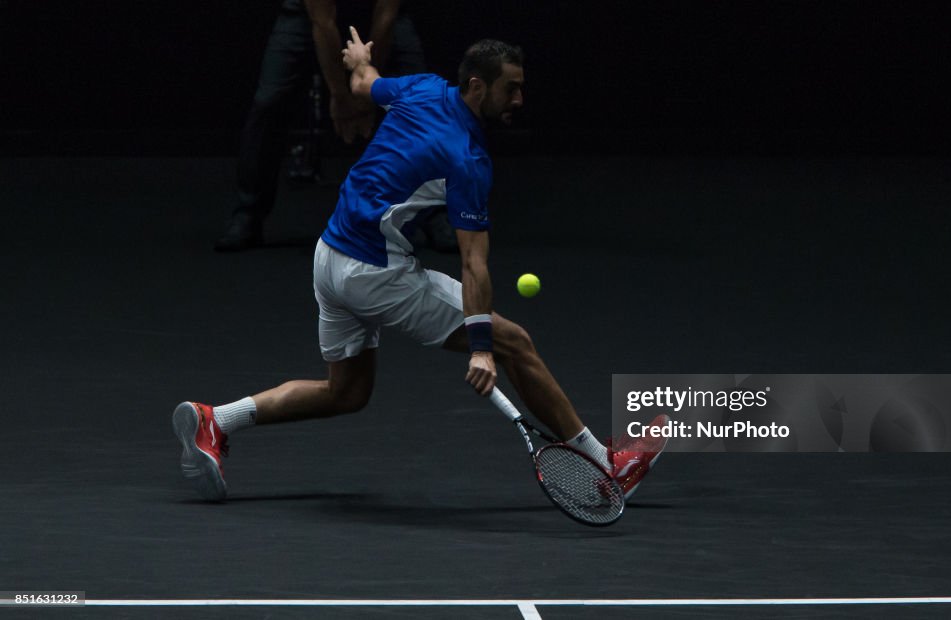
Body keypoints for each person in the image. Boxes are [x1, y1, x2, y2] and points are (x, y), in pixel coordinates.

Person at [175, 27, 666, 504]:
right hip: (375, 273)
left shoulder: (423, 87)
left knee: (347, 392)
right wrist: (480, 348)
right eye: (510, 89)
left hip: (328, 257)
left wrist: (359, 60)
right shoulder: (467, 159)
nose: (518, 100)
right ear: (478, 86)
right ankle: (608, 467)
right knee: (513, 342)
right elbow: (474, 263)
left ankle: (216, 419)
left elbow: (364, 85)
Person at [217, 0, 455, 252]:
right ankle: (248, 214)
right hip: (307, 15)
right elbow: (323, 22)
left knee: (422, 103)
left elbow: (385, 18)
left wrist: (370, 91)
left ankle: (433, 212)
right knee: (268, 103)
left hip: (383, 15)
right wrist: (340, 96)